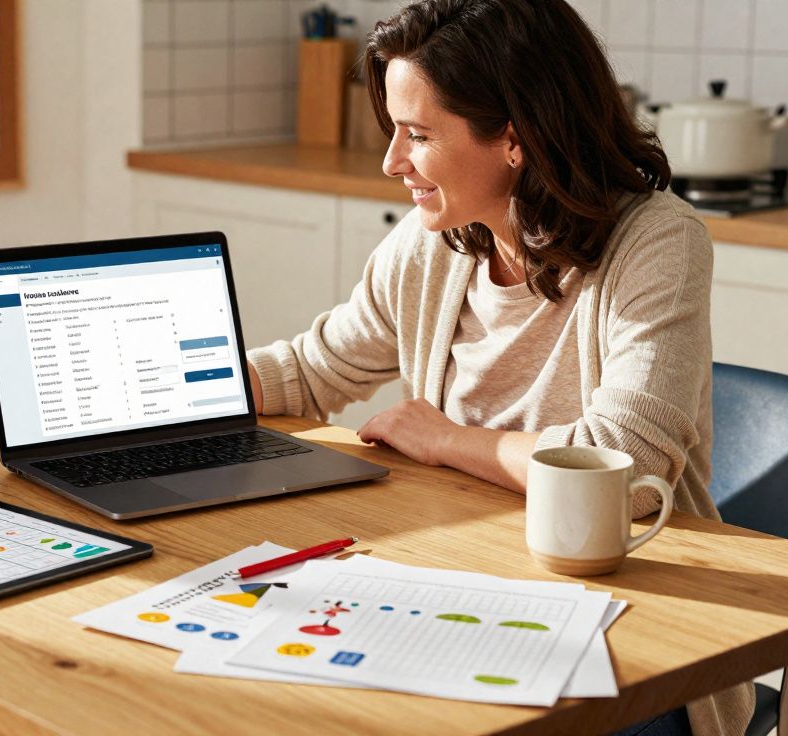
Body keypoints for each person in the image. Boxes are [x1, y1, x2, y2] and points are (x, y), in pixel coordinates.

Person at [244, 1, 753, 734]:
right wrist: (162, 385)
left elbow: (626, 466)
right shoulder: (435, 241)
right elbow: (310, 370)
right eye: (395, 131)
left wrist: (448, 440)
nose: (392, 162)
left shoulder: (657, 242)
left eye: (419, 135)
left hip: (627, 629)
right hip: (464, 587)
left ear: (514, 138)